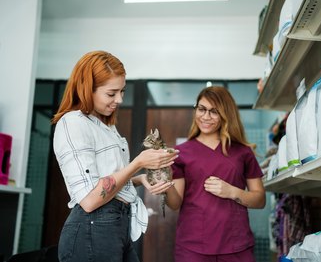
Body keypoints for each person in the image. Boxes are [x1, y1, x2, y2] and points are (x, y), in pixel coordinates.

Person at [51, 50, 178, 262]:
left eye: (122, 91)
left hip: (117, 225)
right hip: (93, 228)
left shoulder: (106, 126)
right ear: (87, 89)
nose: (119, 99)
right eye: (111, 93)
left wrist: (139, 179)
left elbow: (108, 179)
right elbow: (90, 200)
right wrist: (138, 163)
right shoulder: (73, 123)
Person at [165, 86, 266, 262]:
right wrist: (164, 182)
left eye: (214, 112)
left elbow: (260, 200)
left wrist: (232, 192)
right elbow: (175, 203)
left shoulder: (243, 152)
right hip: (193, 246)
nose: (205, 117)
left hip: (235, 245)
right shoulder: (180, 153)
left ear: (226, 114)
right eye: (201, 109)